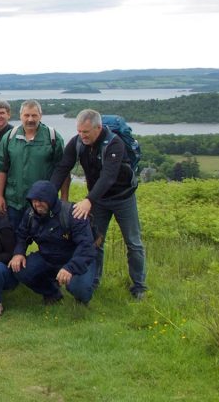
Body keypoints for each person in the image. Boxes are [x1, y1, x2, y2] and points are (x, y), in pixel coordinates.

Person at [50, 109, 147, 299]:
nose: (82, 136)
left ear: (98, 128)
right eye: (79, 131)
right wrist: (48, 194)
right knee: (95, 242)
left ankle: (139, 286)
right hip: (99, 200)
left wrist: (88, 200)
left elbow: (108, 177)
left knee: (133, 243)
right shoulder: (78, 142)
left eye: (86, 132)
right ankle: (94, 281)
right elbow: (63, 167)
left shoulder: (114, 144)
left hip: (123, 198)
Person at [8, 180, 97, 305]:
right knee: (19, 269)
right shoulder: (30, 214)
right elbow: (22, 235)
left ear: (51, 199)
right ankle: (51, 292)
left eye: (41, 200)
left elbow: (86, 246)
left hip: (76, 258)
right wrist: (19, 252)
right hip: (47, 257)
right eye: (33, 200)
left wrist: (70, 268)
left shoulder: (73, 213)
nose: (37, 204)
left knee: (79, 288)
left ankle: (81, 299)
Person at [0, 100, 66, 230]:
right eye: (26, 115)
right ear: (20, 116)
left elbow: (63, 169)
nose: (30, 119)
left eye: (34, 115)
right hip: (15, 203)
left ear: (41, 115)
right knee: (16, 241)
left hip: (43, 202)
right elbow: (1, 168)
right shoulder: (10, 137)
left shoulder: (52, 137)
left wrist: (64, 199)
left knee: (47, 241)